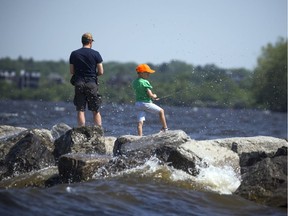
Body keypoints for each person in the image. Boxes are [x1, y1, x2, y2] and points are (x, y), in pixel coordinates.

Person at [69, 32, 104, 127]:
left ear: (82, 42)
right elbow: (101, 71)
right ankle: (98, 131)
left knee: (80, 109)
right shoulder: (96, 54)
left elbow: (72, 71)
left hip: (79, 83)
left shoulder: (74, 54)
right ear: (90, 42)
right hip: (92, 83)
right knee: (95, 109)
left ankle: (81, 130)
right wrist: (93, 75)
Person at [132, 64, 168, 136]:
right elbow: (150, 94)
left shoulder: (135, 82)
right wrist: (154, 96)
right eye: (147, 73)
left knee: (140, 122)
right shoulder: (145, 82)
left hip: (138, 104)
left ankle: (139, 136)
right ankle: (165, 128)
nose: (149, 74)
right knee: (161, 111)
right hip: (146, 103)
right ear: (142, 73)